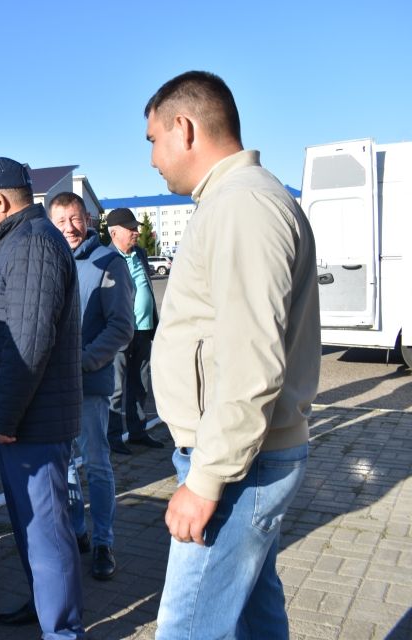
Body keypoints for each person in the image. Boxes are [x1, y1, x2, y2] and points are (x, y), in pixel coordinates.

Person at [144, 71, 320, 639]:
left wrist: (206, 480)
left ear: (184, 128)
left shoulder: (243, 206)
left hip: (238, 464)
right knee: (253, 617)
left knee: (187, 628)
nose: (151, 159)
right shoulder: (235, 201)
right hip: (245, 458)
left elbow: (251, 362)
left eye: (152, 140)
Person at [0, 157, 87, 639]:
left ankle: (62, 630)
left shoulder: (32, 245)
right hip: (23, 422)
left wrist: (6, 415)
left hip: (30, 424)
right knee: (33, 530)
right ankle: (45, 609)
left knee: (47, 535)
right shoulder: (17, 243)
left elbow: (28, 341)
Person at [50, 192, 135, 582]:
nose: (69, 227)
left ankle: (104, 541)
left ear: (87, 219)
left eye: (75, 218)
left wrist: (83, 360)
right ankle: (78, 532)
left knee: (97, 465)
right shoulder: (51, 262)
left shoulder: (108, 263)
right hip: (54, 386)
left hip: (89, 384)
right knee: (64, 465)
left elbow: (121, 326)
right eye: (61, 220)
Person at [105, 207, 164, 454]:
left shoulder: (139, 253)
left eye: (136, 228)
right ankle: (113, 437)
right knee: (116, 388)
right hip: (119, 331)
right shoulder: (105, 257)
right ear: (114, 232)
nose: (136, 233)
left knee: (140, 384)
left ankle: (138, 431)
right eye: (131, 229)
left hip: (143, 329)